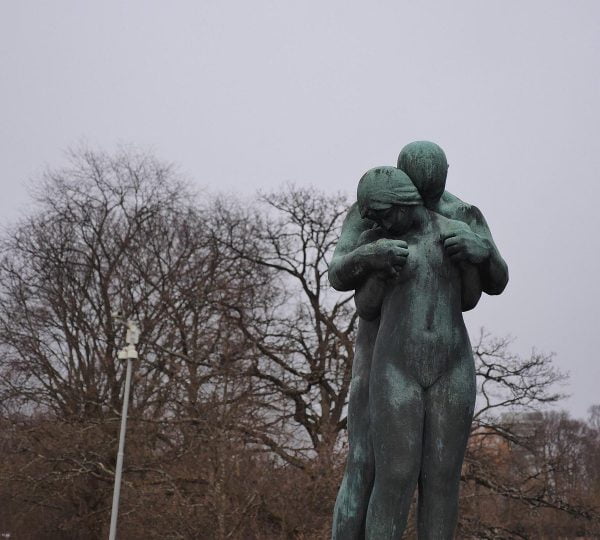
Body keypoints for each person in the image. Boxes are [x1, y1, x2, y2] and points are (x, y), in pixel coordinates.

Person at [330, 141, 508, 539]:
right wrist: (371, 258)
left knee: (442, 475)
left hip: (447, 355)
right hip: (383, 347)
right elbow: (347, 283)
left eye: (431, 196)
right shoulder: (371, 213)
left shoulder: (460, 218)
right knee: (372, 466)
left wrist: (479, 255)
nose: (425, 204)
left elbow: (478, 292)